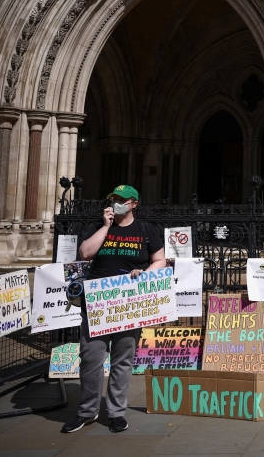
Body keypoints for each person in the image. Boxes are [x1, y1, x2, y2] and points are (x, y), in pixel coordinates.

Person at [61, 185, 165, 433]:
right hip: (97, 305)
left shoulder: (146, 230)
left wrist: (144, 276)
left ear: (133, 204)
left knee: (122, 360)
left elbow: (159, 260)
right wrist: (106, 226)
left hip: (128, 304)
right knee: (91, 358)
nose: (114, 203)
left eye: (120, 200)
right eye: (112, 199)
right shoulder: (100, 226)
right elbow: (85, 253)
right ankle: (87, 411)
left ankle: (117, 412)